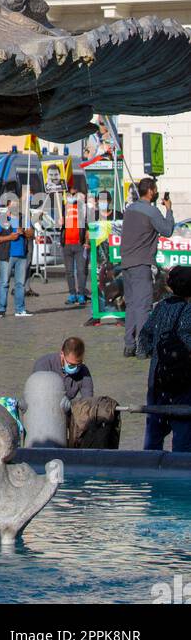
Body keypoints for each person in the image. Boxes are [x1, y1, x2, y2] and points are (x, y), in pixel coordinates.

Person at [119, 176, 174, 357]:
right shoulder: (151, 211)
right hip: (141, 263)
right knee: (143, 306)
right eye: (155, 190)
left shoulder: (130, 209)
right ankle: (143, 347)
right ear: (150, 191)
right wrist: (168, 210)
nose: (157, 193)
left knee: (132, 305)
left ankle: (129, 345)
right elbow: (167, 230)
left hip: (126, 262)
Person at [138, 265, 191, 453]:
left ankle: (150, 472)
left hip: (157, 378)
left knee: (154, 433)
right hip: (184, 382)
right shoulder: (188, 311)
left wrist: (159, 354)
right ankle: (180, 476)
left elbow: (143, 340)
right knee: (183, 434)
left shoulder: (161, 306)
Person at [0, 208, 33, 318]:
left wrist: (24, 232)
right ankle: (1, 309)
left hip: (21, 255)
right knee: (4, 283)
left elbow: (31, 234)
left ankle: (20, 309)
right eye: (12, 204)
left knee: (20, 284)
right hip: (7, 255)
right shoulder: (2, 220)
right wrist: (10, 237)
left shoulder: (23, 219)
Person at [33, 336, 94, 402]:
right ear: (62, 354)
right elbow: (38, 397)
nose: (76, 367)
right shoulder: (43, 365)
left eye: (79, 364)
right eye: (71, 365)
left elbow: (88, 401)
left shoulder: (84, 372)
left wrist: (71, 405)